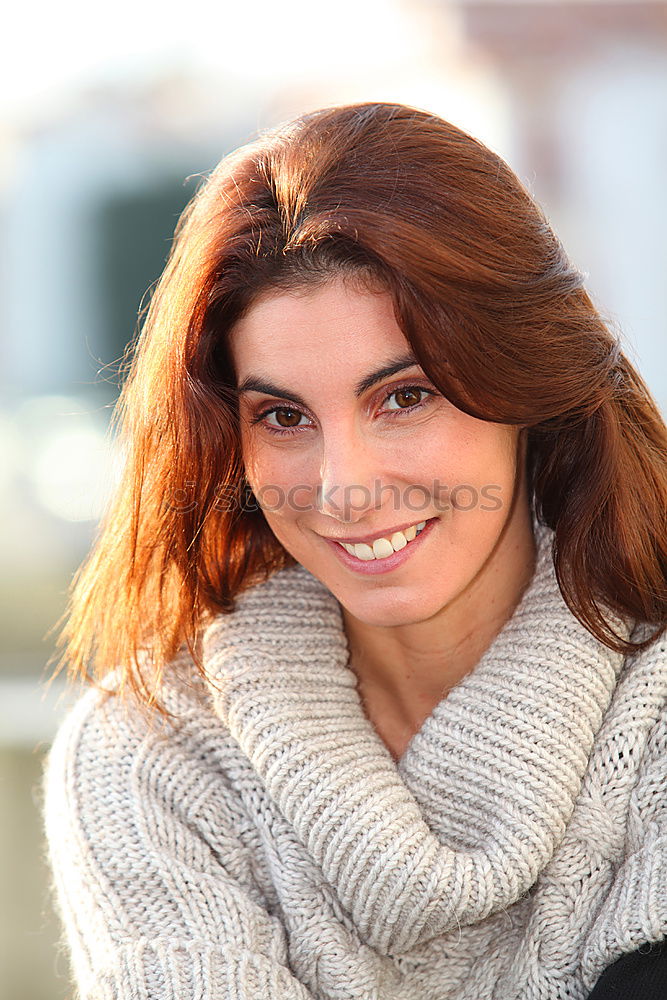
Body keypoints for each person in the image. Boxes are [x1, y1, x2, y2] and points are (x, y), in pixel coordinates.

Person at [41, 102, 666, 1000]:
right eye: (283, 417)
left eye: (404, 398)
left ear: (526, 386)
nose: (343, 488)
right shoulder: (150, 758)